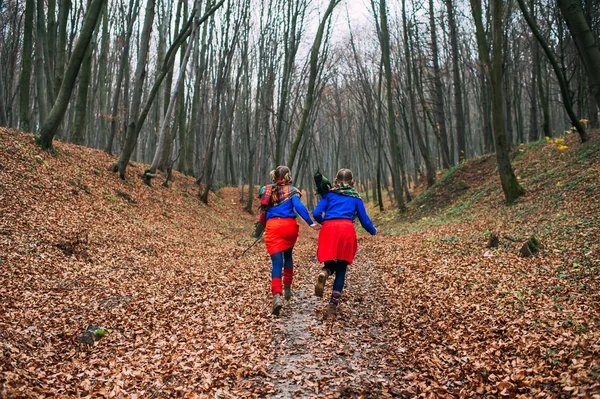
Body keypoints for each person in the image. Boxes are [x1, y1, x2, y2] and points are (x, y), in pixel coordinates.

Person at [312, 168, 377, 316]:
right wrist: (373, 231)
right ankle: (332, 306)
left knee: (329, 263)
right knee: (341, 269)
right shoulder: (355, 197)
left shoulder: (329, 195)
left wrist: (325, 222)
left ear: (335, 181)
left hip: (328, 229)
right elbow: (365, 221)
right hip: (346, 230)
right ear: (352, 182)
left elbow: (316, 213)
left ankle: (325, 271)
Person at [258, 166, 321, 316]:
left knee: (276, 263)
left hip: (273, 227)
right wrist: (310, 222)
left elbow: (262, 206)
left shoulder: (266, 190)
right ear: (288, 176)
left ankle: (277, 296)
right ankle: (287, 288)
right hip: (288, 227)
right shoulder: (291, 190)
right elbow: (298, 206)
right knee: (288, 256)